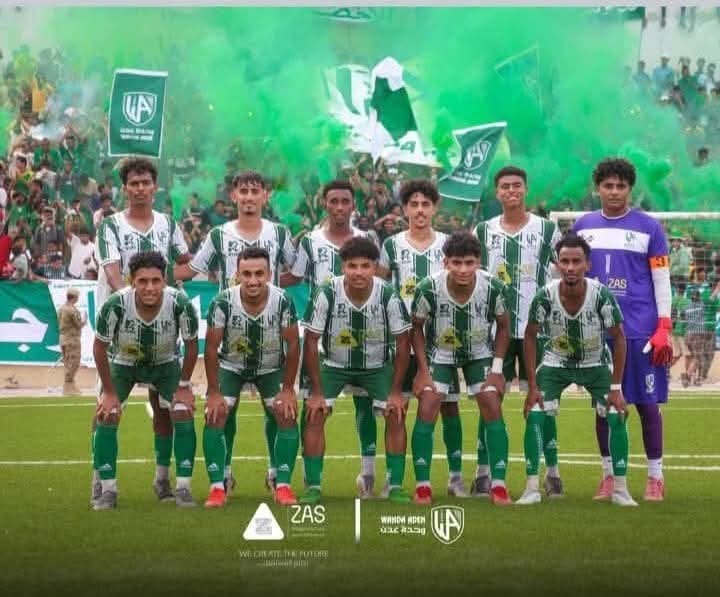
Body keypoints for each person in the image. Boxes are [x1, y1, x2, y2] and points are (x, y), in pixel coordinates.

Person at [174, 170, 296, 493]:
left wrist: (272, 291)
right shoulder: (218, 235)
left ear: (266, 195)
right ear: (234, 196)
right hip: (230, 337)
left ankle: (275, 472)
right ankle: (224, 474)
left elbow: (297, 272)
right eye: (243, 191)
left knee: (276, 411)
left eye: (255, 191)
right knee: (224, 411)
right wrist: (155, 273)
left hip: (270, 338)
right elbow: (193, 269)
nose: (249, 197)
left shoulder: (279, 234)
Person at [93, 156, 192, 505]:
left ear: (155, 186)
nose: (140, 189)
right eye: (133, 183)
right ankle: (100, 480)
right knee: (106, 407)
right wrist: (134, 303)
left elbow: (184, 262)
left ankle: (162, 481)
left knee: (164, 408)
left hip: (162, 324)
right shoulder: (110, 225)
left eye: (145, 182)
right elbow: (112, 270)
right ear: (125, 189)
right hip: (121, 325)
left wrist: (171, 289)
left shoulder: (168, 223)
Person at [573, 157, 672, 502]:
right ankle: (608, 476)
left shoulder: (649, 228)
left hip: (640, 330)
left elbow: (661, 278)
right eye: (608, 185)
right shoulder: (582, 226)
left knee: (646, 405)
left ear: (630, 189)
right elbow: (574, 276)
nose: (614, 191)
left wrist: (663, 326)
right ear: (597, 188)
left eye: (621, 186)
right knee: (604, 407)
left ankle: (655, 477)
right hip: (598, 331)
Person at [517, 233, 636, 506]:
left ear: (587, 264)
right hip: (556, 363)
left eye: (576, 261)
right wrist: (533, 386)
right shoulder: (545, 296)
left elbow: (619, 338)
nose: (570, 267)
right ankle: (533, 487)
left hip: (595, 363)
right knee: (536, 412)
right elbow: (530, 336)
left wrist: (616, 388)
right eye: (565, 261)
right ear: (557, 264)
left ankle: (620, 489)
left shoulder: (601, 295)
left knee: (617, 413)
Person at [283, 180, 380, 497]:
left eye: (345, 201)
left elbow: (380, 278)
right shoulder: (310, 241)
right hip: (322, 340)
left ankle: (368, 475)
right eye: (333, 201)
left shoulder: (367, 239)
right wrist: (260, 278)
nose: (339, 207)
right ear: (324, 204)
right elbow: (295, 277)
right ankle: (312, 482)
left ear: (353, 205)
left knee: (366, 406)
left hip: (366, 339)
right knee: (314, 408)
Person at [472, 166, 562, 497]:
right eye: (505, 186)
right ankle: (483, 473)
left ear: (525, 189)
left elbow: (565, 269)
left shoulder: (548, 229)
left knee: (542, 401)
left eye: (517, 185)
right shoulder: (482, 230)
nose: (511, 190)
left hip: (537, 330)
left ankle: (552, 473)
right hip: (495, 331)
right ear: (497, 192)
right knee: (489, 398)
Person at [302, 236, 412, 504]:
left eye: (365, 266)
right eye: (352, 266)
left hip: (376, 366)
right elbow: (311, 341)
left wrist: (396, 391)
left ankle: (395, 485)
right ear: (343, 267)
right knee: (314, 413)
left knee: (396, 412)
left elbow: (403, 342)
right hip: (334, 365)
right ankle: (313, 486)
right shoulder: (326, 292)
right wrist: (316, 392)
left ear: (375, 267)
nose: (359, 272)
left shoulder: (388, 294)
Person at [378, 179, 467, 498]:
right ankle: (394, 479)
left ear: (434, 208)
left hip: (440, 341)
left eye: (425, 204)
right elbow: (382, 287)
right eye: (413, 204)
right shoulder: (391, 246)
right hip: (401, 341)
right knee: (396, 408)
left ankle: (455, 478)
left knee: (449, 407)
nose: (419, 210)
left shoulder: (448, 244)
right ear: (404, 209)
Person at [410, 232, 512, 505]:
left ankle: (498, 485)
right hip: (440, 354)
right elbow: (416, 328)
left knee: (491, 402)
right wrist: (422, 370)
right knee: (428, 404)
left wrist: (497, 370)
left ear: (478, 262)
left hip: (480, 353)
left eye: (469, 262)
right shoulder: (428, 288)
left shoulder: (494, 287)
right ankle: (423, 486)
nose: (463, 269)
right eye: (456, 262)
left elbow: (504, 327)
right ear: (445, 262)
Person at [92, 251, 199, 510]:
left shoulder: (180, 303)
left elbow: (192, 345)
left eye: (155, 281)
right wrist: (109, 393)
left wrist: (184, 386)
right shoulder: (115, 304)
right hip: (124, 364)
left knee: (182, 411)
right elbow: (99, 348)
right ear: (132, 281)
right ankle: (105, 487)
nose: (149, 287)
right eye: (142, 281)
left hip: (165, 364)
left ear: (165, 280)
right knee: (107, 414)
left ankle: (176, 485)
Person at [203, 247, 300, 508]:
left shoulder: (282, 300)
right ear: (237, 275)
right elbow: (210, 348)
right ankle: (219, 484)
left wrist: (288, 389)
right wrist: (213, 392)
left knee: (285, 412)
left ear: (269, 274)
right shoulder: (222, 302)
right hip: (231, 367)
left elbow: (293, 345)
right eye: (246, 274)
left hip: (271, 367)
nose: (253, 280)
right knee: (216, 413)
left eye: (259, 273)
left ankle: (281, 482)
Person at [57, 287, 86, 395]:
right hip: (72, 339)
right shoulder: (72, 310)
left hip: (63, 338)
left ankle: (69, 385)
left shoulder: (61, 308)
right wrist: (84, 321)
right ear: (75, 298)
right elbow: (78, 324)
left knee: (67, 363)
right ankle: (69, 385)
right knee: (74, 362)